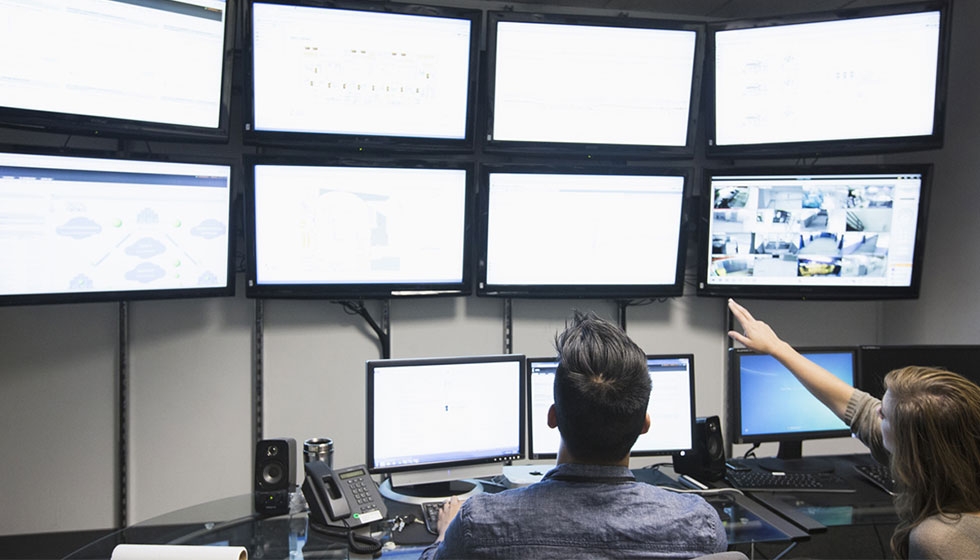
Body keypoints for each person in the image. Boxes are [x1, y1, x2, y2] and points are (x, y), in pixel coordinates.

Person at [419, 310, 728, 559]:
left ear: (552, 417)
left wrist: (445, 534)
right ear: (645, 424)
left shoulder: (480, 523)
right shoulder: (699, 525)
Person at [727, 299, 980, 560]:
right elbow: (854, 405)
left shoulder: (940, 541)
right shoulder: (952, 458)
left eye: (884, 414)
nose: (875, 412)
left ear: (912, 450)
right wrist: (776, 347)